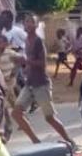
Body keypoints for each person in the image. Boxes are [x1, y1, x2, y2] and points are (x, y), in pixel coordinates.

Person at [11, 13, 75, 146]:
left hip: (41, 84)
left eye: (31, 22)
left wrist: (25, 61)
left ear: (36, 25)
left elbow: (42, 64)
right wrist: (22, 65)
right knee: (16, 113)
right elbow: (29, 63)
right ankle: (36, 142)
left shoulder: (38, 41)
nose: (28, 24)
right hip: (29, 83)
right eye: (26, 22)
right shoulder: (27, 40)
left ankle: (69, 141)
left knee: (49, 118)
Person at [0, 32, 21, 137]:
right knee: (11, 102)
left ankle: (8, 125)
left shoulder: (10, 53)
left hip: (9, 81)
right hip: (1, 80)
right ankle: (20, 118)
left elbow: (20, 61)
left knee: (4, 103)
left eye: (0, 42)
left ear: (5, 43)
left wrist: (14, 72)